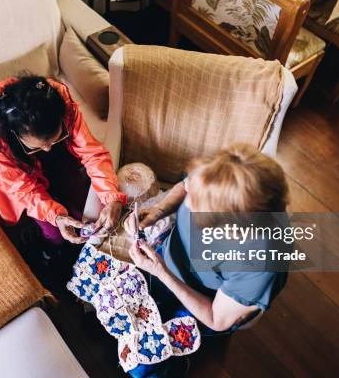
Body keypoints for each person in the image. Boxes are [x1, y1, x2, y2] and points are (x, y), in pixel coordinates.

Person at [124, 143, 290, 377]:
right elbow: (185, 186)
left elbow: (216, 318)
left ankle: (175, 367)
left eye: (198, 210)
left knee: (141, 367)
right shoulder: (221, 173)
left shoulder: (262, 262)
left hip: (206, 303)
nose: (188, 204)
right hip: (169, 261)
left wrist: (162, 273)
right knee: (129, 309)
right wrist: (157, 212)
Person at [0, 75, 126, 253]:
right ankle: (52, 254)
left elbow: (91, 152)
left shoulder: (57, 99)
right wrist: (56, 217)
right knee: (53, 232)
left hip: (62, 154)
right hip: (18, 170)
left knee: (83, 209)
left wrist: (112, 196)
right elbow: (23, 189)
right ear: (15, 135)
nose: (47, 149)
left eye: (54, 138)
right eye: (39, 146)